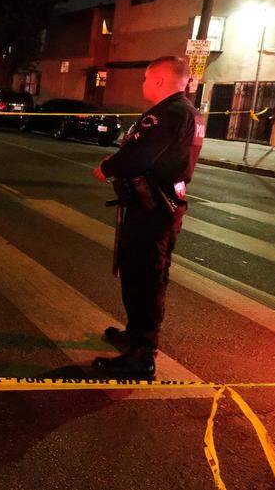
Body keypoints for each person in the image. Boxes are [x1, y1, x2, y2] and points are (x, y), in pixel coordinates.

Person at [91, 56, 202, 378]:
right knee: (149, 274)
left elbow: (139, 155)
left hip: (152, 207)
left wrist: (108, 167)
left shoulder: (167, 114)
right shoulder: (189, 113)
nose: (142, 84)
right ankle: (137, 336)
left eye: (144, 78)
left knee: (142, 277)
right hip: (164, 204)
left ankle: (141, 355)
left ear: (158, 81)